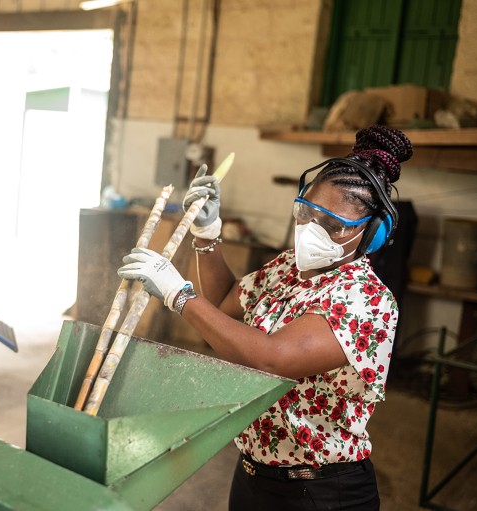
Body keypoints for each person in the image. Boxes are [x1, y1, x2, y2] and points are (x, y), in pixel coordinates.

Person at [117, 125, 413, 510]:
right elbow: (224, 302)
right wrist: (207, 235)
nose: (311, 230)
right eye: (306, 212)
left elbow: (270, 358)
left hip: (321, 492)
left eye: (334, 225)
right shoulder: (287, 268)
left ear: (371, 235)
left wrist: (179, 294)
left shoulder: (367, 301)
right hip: (253, 473)